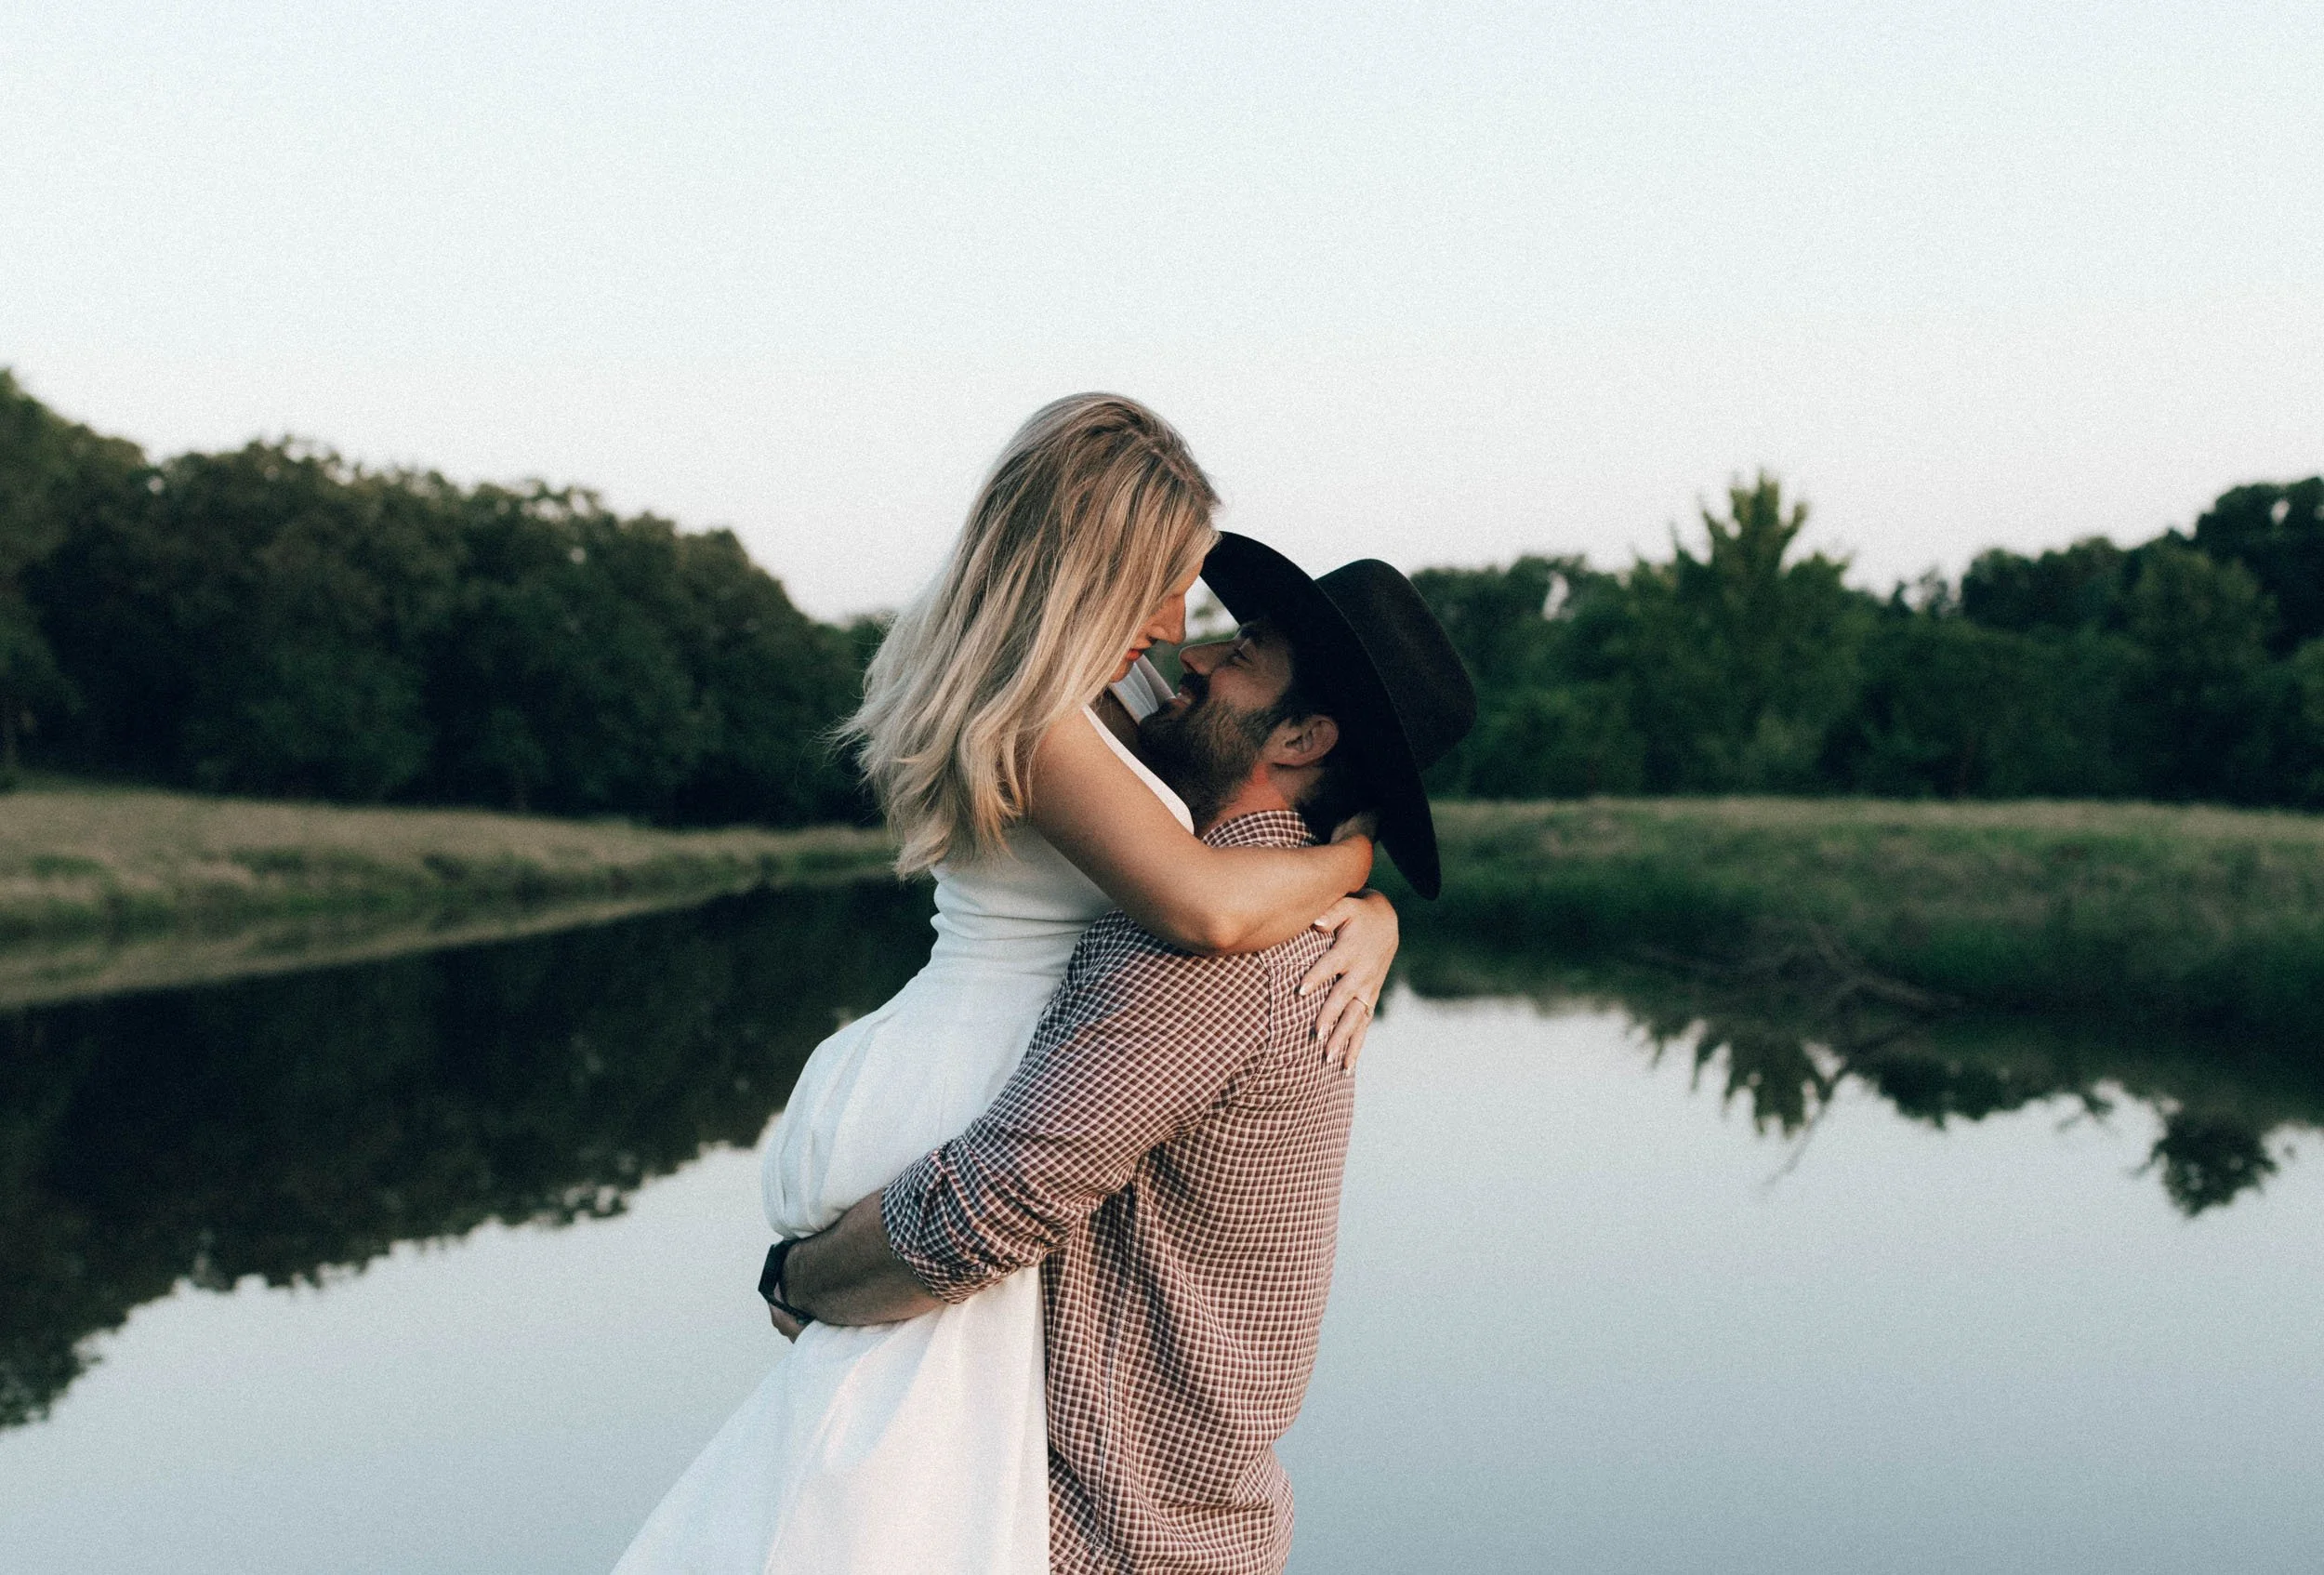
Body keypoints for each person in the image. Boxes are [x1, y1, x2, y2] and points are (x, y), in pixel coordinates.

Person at [612, 398, 1402, 1575]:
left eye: (1212, 624)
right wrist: (1356, 867)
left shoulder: (1110, 699)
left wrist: (1372, 915)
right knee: (907, 1465)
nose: (1178, 633)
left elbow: (1231, 864)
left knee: (886, 1452)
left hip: (993, 1060)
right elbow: (1204, 903)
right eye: (1162, 586)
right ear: (1085, 566)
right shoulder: (1038, 719)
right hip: (971, 1072)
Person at [763, 536, 1478, 1575]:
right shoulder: (1290, 912)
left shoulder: (1206, 951)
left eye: (1243, 654)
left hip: (1101, 1540)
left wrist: (800, 1280)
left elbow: (991, 1200)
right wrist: (1365, 884)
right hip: (1190, 1527)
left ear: (1305, 733)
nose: (1192, 658)